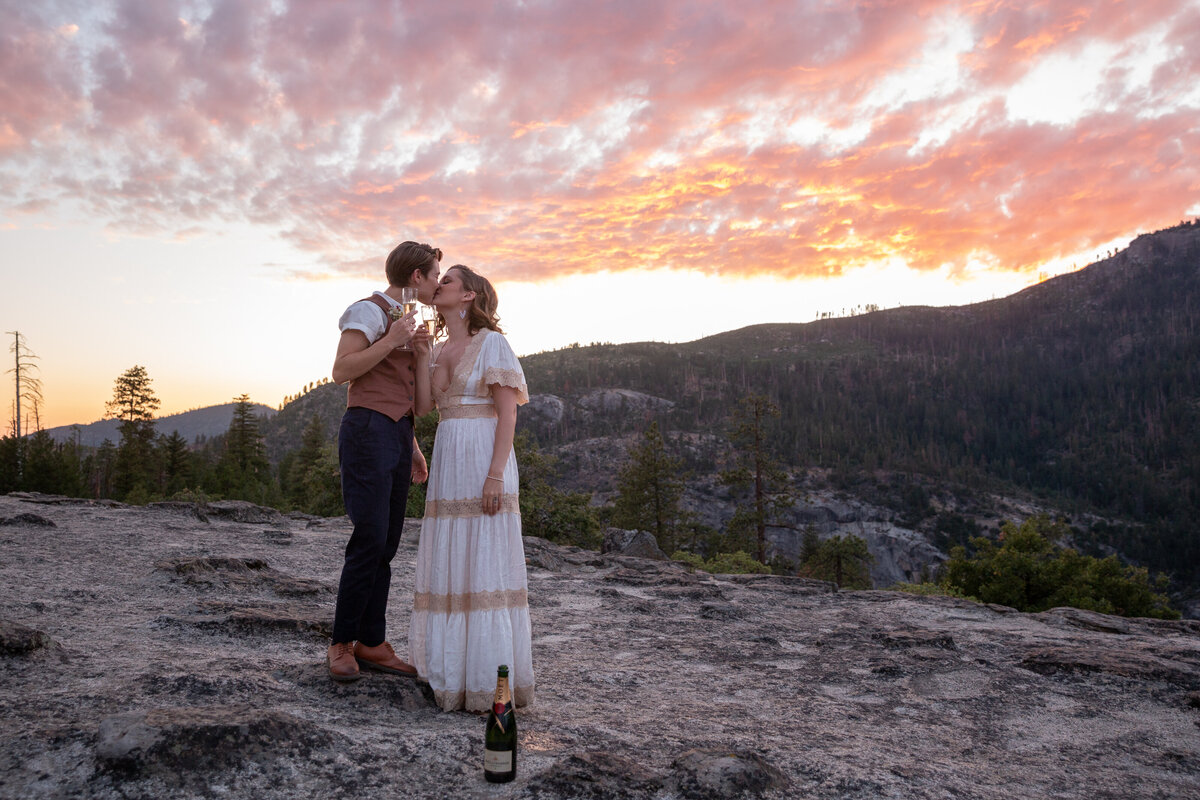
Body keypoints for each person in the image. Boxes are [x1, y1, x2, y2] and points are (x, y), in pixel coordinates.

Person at [409, 264, 535, 711]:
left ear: (468, 296)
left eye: (448, 281)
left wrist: (495, 474)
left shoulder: (493, 345)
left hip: (483, 454)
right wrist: (423, 355)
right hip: (449, 455)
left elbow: (508, 414)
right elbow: (425, 408)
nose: (437, 285)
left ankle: (487, 680)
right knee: (452, 556)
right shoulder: (442, 347)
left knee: (484, 558)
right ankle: (452, 675)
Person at [325, 240, 443, 682]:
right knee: (370, 535)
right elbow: (342, 370)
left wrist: (411, 442)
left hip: (396, 433)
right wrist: (393, 339)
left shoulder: (411, 321)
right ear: (417, 277)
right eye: (433, 276)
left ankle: (372, 643)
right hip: (366, 430)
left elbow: (407, 392)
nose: (436, 283)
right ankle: (340, 643)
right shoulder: (369, 311)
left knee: (388, 542)